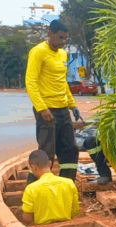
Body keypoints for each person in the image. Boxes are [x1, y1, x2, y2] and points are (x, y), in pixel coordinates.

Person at [25, 20, 82, 183]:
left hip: (63, 109)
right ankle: (33, 190)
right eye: (61, 38)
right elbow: (31, 82)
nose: (63, 42)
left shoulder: (62, 54)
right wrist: (42, 109)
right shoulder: (38, 52)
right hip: (47, 110)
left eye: (65, 39)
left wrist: (72, 105)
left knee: (70, 149)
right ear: (50, 34)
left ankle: (66, 185)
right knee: (46, 153)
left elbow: (62, 82)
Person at [21, 150, 79, 225]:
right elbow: (75, 211)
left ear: (33, 167)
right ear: (50, 163)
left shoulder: (31, 189)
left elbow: (27, 218)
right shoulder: (69, 183)